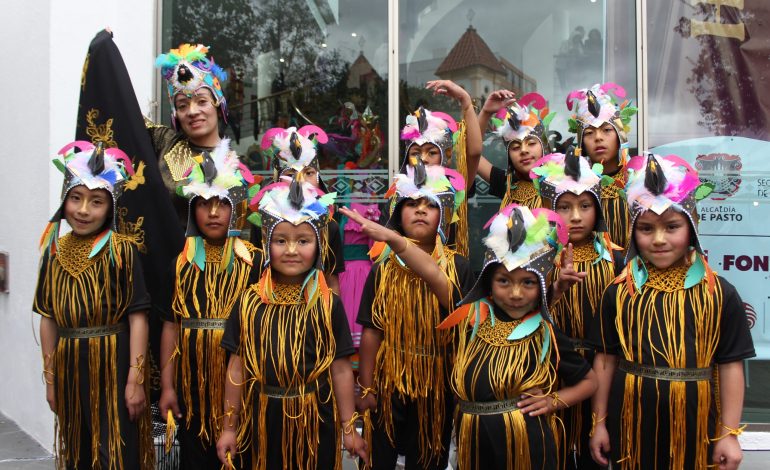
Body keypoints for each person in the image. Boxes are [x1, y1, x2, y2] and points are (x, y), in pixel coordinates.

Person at [588, 154, 756, 469]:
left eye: (672, 226)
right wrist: (599, 422)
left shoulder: (719, 293)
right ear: (634, 233)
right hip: (630, 421)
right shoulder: (619, 292)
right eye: (647, 229)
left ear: (691, 228)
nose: (659, 239)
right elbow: (606, 360)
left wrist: (729, 433)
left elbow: (730, 364)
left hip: (696, 423)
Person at [215, 180, 367, 469]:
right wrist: (229, 427)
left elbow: (341, 368)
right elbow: (235, 367)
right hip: (260, 417)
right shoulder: (249, 302)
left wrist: (348, 427)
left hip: (315, 418)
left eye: (303, 240)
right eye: (281, 240)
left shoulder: (328, 304)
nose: (292, 250)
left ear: (319, 246)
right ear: (266, 243)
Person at [433, 203, 597, 469]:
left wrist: (552, 401)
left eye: (528, 282)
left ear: (540, 285)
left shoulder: (544, 332)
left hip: (526, 444)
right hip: (474, 441)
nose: (516, 293)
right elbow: (433, 276)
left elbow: (589, 382)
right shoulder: (472, 322)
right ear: (488, 282)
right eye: (504, 281)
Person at [35, 141, 154, 469]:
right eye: (76, 198)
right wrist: (51, 379)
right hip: (70, 366)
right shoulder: (54, 252)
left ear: (111, 207)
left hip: (113, 362)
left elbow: (138, 318)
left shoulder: (121, 250)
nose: (83, 210)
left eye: (96, 202)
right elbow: (48, 318)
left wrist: (135, 378)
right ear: (65, 200)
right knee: (78, 450)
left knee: (115, 450)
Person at [355, 163, 474, 469]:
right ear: (397, 214)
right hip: (388, 380)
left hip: (437, 384)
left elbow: (462, 317)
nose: (420, 210)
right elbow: (371, 332)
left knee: (429, 460)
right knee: (379, 458)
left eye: (430, 205)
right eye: (411, 203)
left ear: (444, 216)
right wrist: (367, 387)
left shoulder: (459, 267)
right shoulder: (382, 269)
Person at [157, 138, 262, 468]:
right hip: (192, 389)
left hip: (243, 385)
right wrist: (168, 386)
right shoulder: (182, 263)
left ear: (236, 206)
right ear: (192, 209)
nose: (213, 212)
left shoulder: (255, 263)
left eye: (222, 202)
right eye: (204, 203)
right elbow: (172, 327)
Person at [530, 148, 623, 469]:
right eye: (565, 207)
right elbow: (522, 315)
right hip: (551, 371)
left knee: (593, 456)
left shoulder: (619, 260)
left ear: (598, 208)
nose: (576, 216)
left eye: (585, 206)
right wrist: (555, 289)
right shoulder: (535, 260)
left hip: (604, 371)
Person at [151, 43, 232, 227]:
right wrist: (105, 51)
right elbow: (123, 112)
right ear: (175, 115)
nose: (192, 111)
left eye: (202, 101)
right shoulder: (164, 142)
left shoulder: (233, 165)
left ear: (217, 104)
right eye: (182, 105)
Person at [258, 125, 346, 293]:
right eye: (290, 174)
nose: (300, 181)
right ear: (277, 179)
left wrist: (330, 315)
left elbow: (332, 282)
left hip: (314, 309)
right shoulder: (263, 222)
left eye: (308, 173)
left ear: (318, 177)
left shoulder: (329, 226)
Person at [400, 79, 483, 256]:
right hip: (404, 275)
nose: (423, 159)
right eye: (416, 153)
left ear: (446, 156)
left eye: (431, 152)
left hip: (446, 272)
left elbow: (474, 152)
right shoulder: (398, 192)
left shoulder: (453, 187)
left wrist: (466, 102)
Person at [566, 83, 637, 250]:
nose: (598, 138)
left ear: (620, 135)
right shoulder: (573, 185)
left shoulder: (638, 180)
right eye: (589, 133)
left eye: (606, 130)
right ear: (581, 142)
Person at [471, 90, 556, 210]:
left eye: (531, 143)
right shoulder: (507, 183)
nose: (524, 150)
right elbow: (472, 153)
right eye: (515, 147)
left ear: (544, 147)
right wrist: (485, 113)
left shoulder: (561, 181)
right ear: (508, 155)